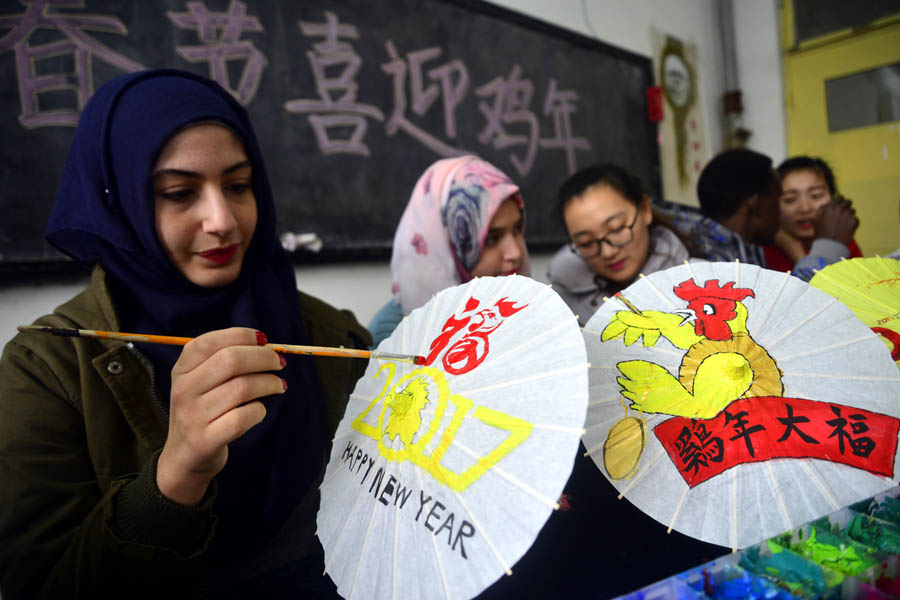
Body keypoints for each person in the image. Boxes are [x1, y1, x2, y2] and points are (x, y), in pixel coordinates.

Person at [0, 69, 371, 599]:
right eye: (178, 193)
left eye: (239, 185)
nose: (222, 220)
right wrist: (176, 475)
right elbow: (37, 585)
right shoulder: (49, 370)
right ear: (119, 204)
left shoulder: (330, 335)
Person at [367, 156, 529, 346]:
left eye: (517, 229)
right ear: (447, 244)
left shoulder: (527, 316)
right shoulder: (395, 339)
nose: (516, 253)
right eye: (491, 238)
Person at [658, 148, 858, 281]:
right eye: (782, 198)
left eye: (815, 194)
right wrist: (827, 249)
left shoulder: (745, 246)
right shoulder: (710, 259)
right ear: (756, 204)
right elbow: (776, 318)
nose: (779, 213)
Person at [547, 163, 700, 325]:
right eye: (586, 243)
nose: (608, 252)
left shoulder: (702, 282)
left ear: (645, 210)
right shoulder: (562, 303)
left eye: (617, 229)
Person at [765, 155, 862, 271]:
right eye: (789, 199)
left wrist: (797, 255)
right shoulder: (762, 250)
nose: (805, 208)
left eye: (816, 195)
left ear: (833, 199)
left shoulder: (842, 241)